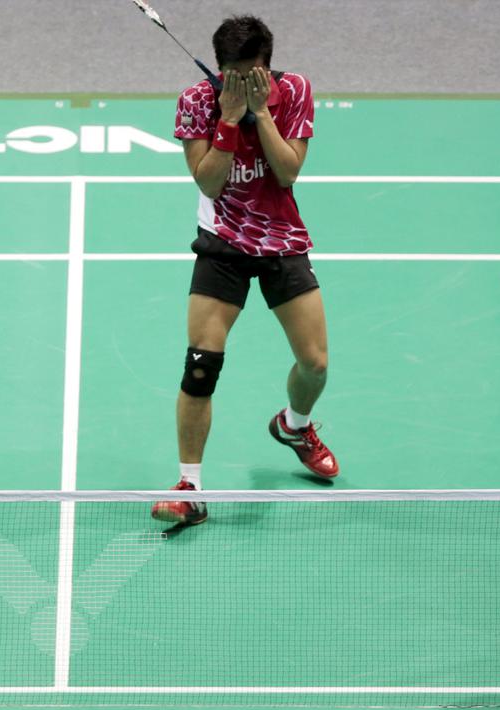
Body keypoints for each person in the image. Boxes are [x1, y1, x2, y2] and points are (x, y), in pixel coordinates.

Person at [152, 14, 337, 526]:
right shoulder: (198, 101)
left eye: (248, 74)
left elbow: (288, 170)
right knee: (200, 366)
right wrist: (230, 120)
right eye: (229, 74)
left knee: (315, 364)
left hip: (282, 241)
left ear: (265, 67)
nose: (237, 81)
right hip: (222, 244)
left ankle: (294, 425)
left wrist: (262, 115)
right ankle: (189, 486)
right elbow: (209, 183)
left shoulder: (293, 91)